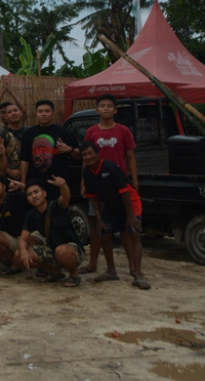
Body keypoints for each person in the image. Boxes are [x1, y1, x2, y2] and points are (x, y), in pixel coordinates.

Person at [80, 95, 139, 275]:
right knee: (98, 226)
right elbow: (85, 158)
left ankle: (133, 267)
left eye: (109, 106)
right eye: (102, 106)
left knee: (125, 228)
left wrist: (135, 181)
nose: (106, 108)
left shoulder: (124, 131)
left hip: (119, 186)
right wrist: (83, 182)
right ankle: (93, 264)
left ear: (115, 110)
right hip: (97, 186)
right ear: (97, 110)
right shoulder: (91, 131)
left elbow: (130, 156)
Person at [80, 142, 150, 289]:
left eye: (90, 153)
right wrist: (99, 218)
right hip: (112, 205)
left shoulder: (109, 167)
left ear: (97, 154)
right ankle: (111, 271)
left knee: (134, 234)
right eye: (84, 155)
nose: (88, 157)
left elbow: (125, 192)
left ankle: (137, 273)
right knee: (104, 232)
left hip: (130, 202)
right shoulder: (87, 172)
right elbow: (93, 197)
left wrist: (130, 217)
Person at [18, 177, 85, 287]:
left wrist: (63, 185)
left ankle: (74, 274)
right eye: (29, 194)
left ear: (44, 193)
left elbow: (66, 198)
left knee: (61, 251)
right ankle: (55, 272)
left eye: (36, 192)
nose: (34, 196)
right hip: (53, 250)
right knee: (20, 254)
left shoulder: (56, 206)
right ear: (28, 199)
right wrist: (23, 251)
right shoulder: (31, 215)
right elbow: (23, 239)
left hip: (72, 250)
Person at [19, 100, 79, 198]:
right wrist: (23, 183)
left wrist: (70, 149)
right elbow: (24, 159)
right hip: (35, 184)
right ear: (36, 114)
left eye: (47, 111)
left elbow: (79, 156)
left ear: (53, 113)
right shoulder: (29, 133)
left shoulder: (63, 132)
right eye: (40, 111)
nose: (43, 114)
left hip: (58, 183)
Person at [0, 173, 29, 274]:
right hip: (10, 238)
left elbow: (36, 194)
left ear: (4, 186)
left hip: (25, 238)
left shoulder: (17, 197)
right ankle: (16, 262)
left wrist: (22, 186)